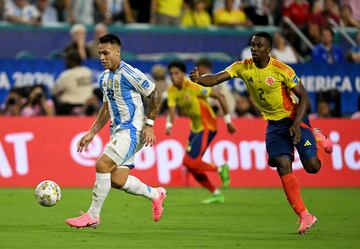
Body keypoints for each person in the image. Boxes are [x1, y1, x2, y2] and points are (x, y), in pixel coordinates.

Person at [189, 32, 333, 234]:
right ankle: (304, 215)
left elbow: (304, 97)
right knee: (283, 165)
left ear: (268, 49)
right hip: (273, 126)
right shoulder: (242, 66)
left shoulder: (281, 69)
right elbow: (215, 79)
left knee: (312, 167)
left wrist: (298, 123)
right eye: (252, 45)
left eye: (258, 46)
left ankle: (317, 135)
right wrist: (199, 80)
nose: (254, 48)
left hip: (294, 119)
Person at [65, 34, 166, 228]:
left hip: (133, 130)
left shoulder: (130, 73)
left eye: (106, 53)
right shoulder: (104, 77)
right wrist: (92, 132)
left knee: (102, 165)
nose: (102, 57)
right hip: (118, 131)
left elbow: (154, 94)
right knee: (118, 180)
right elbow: (106, 107)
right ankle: (156, 194)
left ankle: (93, 215)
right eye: (99, 53)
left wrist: (150, 124)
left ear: (117, 52)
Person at [166, 60, 236, 204]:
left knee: (190, 162)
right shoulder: (172, 90)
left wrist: (228, 122)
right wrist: (169, 124)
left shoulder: (194, 86)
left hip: (207, 126)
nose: (174, 76)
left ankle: (220, 168)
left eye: (176, 73)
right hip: (195, 128)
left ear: (183, 74)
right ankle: (216, 193)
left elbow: (220, 97)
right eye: (171, 74)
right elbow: (172, 110)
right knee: (190, 165)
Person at [52, 50, 93, 115]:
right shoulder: (87, 71)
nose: (65, 62)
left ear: (71, 61)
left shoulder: (66, 75)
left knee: (54, 99)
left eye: (67, 60)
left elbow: (54, 91)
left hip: (70, 107)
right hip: (87, 105)